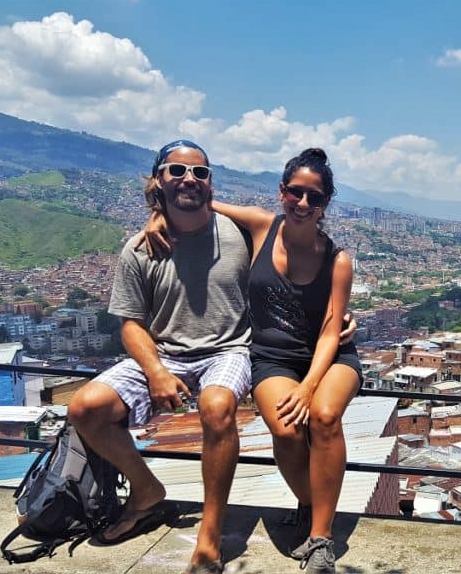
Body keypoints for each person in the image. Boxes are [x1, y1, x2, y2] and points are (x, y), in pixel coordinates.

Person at [143, 148, 360, 573]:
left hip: (331, 356)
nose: (302, 203)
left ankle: (321, 538)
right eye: (295, 192)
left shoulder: (337, 260)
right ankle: (312, 502)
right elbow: (199, 204)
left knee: (324, 416)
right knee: (285, 429)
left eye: (314, 197)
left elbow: (331, 331)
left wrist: (309, 387)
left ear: (325, 204)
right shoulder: (262, 226)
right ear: (281, 192)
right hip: (273, 357)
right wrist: (158, 216)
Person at [68, 139, 249, 574]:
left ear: (211, 183)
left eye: (199, 172)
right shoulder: (138, 248)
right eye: (177, 171)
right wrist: (155, 371)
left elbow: (294, 247)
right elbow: (130, 323)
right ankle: (147, 490)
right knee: (85, 407)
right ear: (158, 180)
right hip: (165, 352)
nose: (189, 178)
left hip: (228, 347)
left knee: (217, 406)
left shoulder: (239, 232)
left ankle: (210, 532)